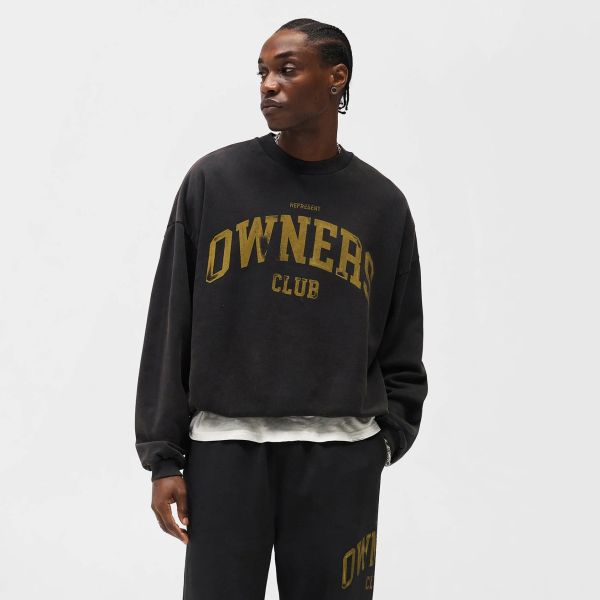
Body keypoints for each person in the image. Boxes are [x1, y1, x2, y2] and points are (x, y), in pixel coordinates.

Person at [134, 17, 428, 600]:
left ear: (336, 77)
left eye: (287, 70)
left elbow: (402, 337)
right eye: (263, 73)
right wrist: (164, 458)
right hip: (225, 453)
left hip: (340, 459)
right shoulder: (214, 181)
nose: (268, 84)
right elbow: (171, 323)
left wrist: (386, 440)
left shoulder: (382, 204)